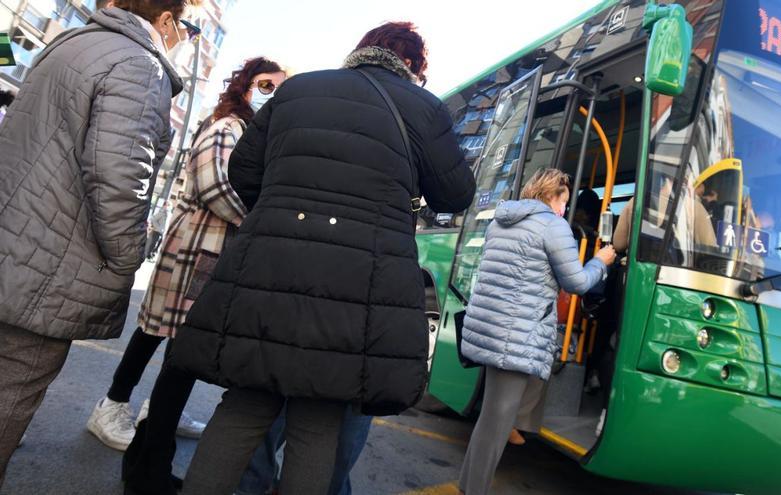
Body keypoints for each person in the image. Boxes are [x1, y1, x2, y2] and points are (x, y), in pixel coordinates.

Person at [168, 21, 476, 495]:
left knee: (244, 406)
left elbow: (242, 171)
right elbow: (455, 193)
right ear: (412, 64)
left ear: (360, 51)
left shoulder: (298, 91)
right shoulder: (424, 108)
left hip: (269, 266)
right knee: (319, 419)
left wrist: (282, 212)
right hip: (358, 283)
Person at [0, 0, 192, 485]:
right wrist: (129, 255)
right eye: (186, 26)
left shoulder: (75, 43)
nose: (186, 37)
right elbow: (119, 179)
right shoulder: (139, 64)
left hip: (14, 249)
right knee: (8, 399)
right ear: (166, 20)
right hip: (46, 269)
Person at [103, 57, 285, 494]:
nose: (270, 93)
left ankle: (145, 458)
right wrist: (258, 220)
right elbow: (214, 187)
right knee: (181, 360)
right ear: (244, 85)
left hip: (208, 255)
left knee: (179, 361)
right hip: (197, 254)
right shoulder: (228, 128)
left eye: (278, 88)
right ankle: (148, 469)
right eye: (264, 84)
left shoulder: (249, 132)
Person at [457, 168, 615, 495]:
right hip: (517, 334)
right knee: (494, 424)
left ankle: (516, 430)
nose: (564, 210)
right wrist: (600, 261)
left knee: (498, 412)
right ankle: (473, 488)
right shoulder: (553, 227)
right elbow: (577, 282)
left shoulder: (502, 221)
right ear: (550, 195)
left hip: (493, 327)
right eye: (563, 202)